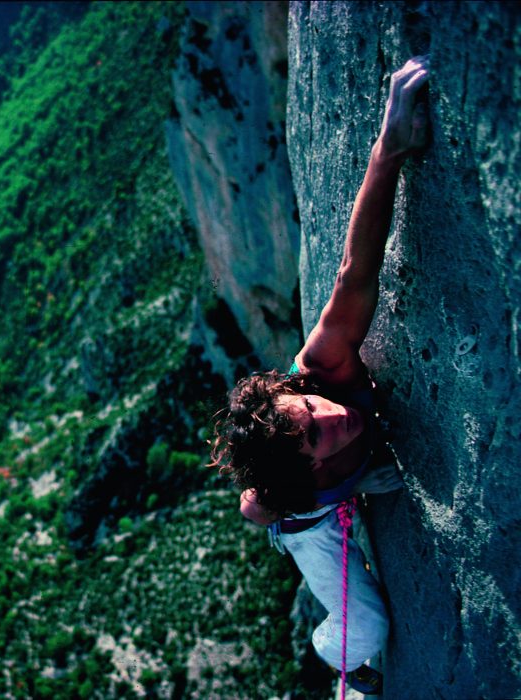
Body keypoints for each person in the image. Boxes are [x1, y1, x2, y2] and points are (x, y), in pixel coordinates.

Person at [208, 56, 431, 695]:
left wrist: (388, 150)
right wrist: (329, 492)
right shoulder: (293, 500)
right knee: (364, 628)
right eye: (319, 442)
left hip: (339, 487)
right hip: (317, 518)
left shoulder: (324, 371)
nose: (334, 420)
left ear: (295, 393)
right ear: (307, 473)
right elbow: (255, 507)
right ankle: (335, 661)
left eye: (310, 415)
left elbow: (355, 270)